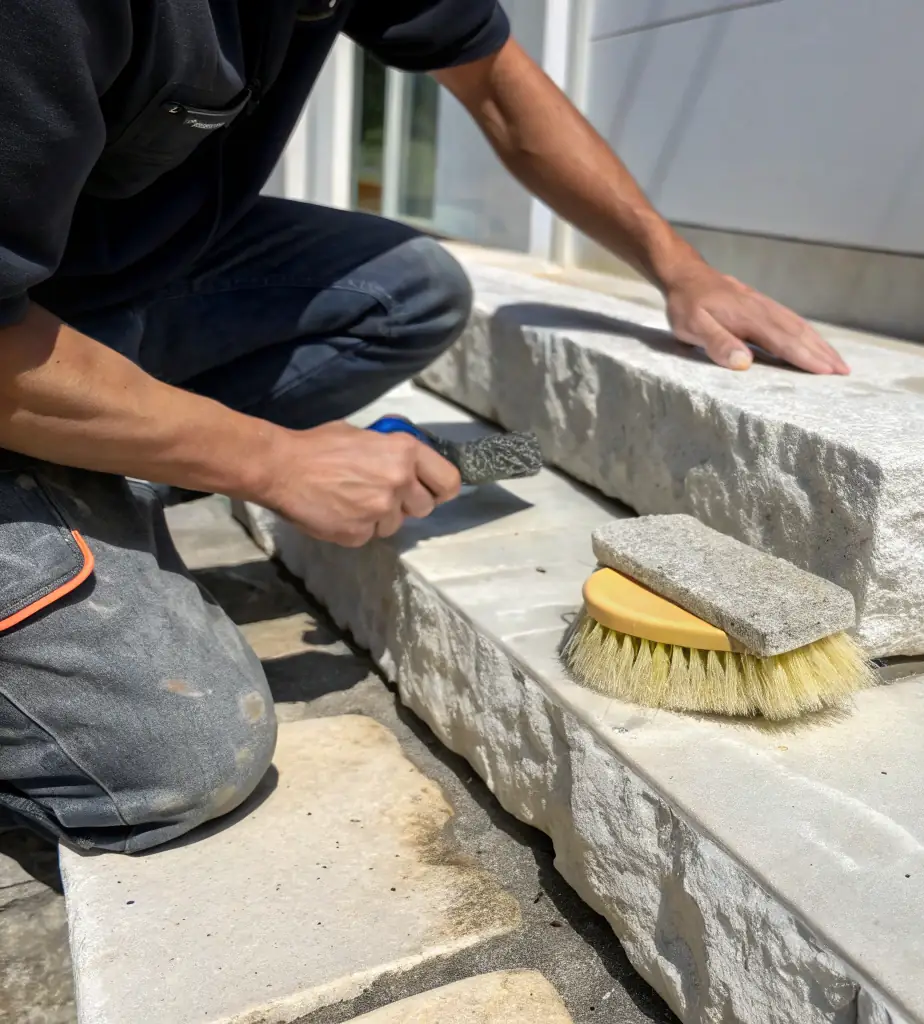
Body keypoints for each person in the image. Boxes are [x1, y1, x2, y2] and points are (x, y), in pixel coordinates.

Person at [0, 1, 847, 853]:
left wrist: (679, 269)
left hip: (80, 285)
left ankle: (99, 453)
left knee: (409, 290)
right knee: (177, 759)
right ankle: (71, 468)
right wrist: (268, 461)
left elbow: (500, 90)